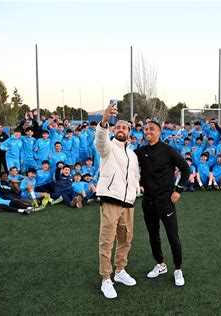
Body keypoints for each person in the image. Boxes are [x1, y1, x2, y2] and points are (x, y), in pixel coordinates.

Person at [135, 120, 190, 287]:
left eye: (152, 129)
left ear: (159, 132)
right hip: (148, 201)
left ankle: (178, 269)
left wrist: (178, 190)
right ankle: (160, 264)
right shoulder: (140, 151)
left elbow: (185, 169)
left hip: (165, 201)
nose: (148, 131)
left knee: (173, 237)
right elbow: (126, 161)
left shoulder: (168, 150)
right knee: (153, 236)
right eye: (146, 129)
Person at [95, 105, 141, 299]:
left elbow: (134, 176)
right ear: (114, 131)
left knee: (125, 239)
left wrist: (136, 191)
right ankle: (106, 279)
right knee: (107, 241)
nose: (121, 130)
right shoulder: (108, 147)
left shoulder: (132, 154)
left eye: (125, 128)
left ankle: (120, 271)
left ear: (129, 133)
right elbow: (100, 140)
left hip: (128, 202)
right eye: (118, 128)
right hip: (111, 199)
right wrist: (104, 122)